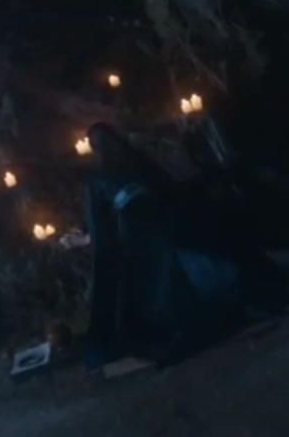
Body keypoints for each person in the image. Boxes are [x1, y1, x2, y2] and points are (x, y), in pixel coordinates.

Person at [81, 123, 289, 370]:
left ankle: (195, 313)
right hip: (143, 229)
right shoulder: (109, 173)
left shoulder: (126, 166)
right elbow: (108, 215)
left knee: (173, 269)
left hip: (153, 224)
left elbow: (160, 188)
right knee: (162, 274)